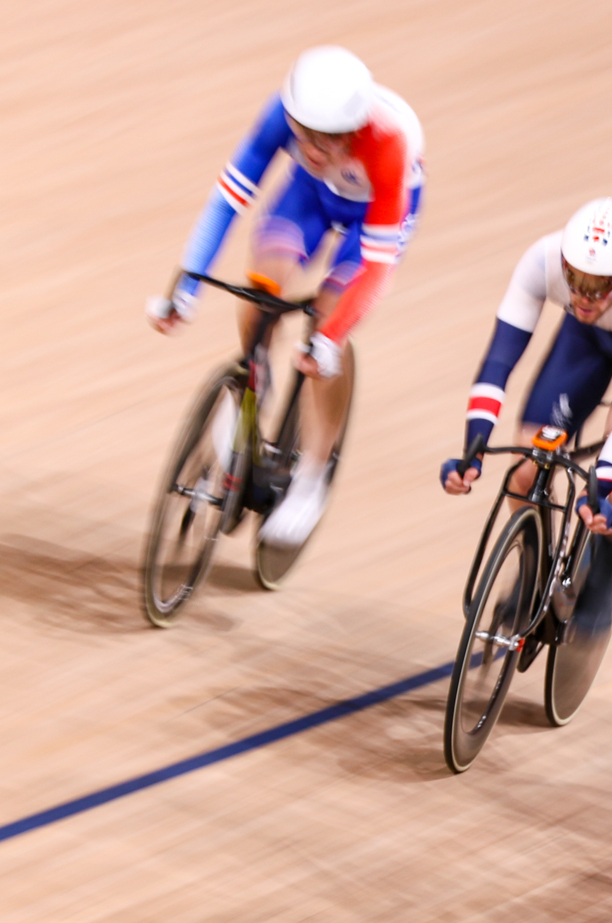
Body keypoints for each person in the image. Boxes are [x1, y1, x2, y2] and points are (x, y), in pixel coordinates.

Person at [147, 46, 424, 547]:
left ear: (356, 129)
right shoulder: (281, 114)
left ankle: (312, 476)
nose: (315, 148)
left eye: (330, 138)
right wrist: (186, 288)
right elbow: (227, 201)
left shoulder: (387, 143)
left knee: (326, 322)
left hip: (374, 218)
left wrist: (331, 338)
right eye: (305, 133)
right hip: (312, 198)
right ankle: (256, 389)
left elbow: (378, 265)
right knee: (261, 288)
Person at [442, 198, 612, 622]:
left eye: (599, 287)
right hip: (587, 340)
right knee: (527, 464)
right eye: (575, 280)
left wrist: (599, 483)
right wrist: (475, 443)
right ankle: (532, 565)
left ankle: (606, 565)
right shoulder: (541, 260)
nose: (583, 296)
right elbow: (498, 364)